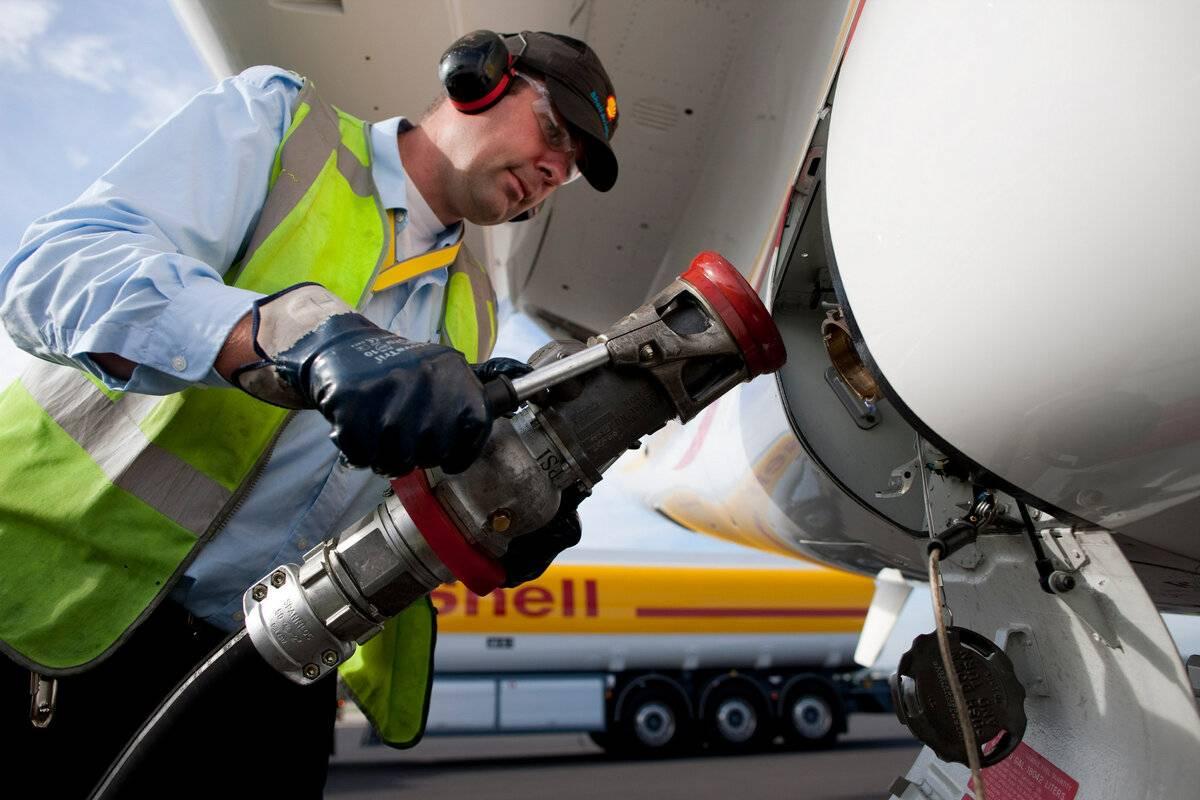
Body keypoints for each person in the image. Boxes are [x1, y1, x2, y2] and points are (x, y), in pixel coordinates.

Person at [0, 29, 619, 797]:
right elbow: (53, 272)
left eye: (570, 169)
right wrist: (284, 336)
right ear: (477, 78)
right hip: (60, 609)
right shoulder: (284, 126)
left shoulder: (475, 308)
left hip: (265, 671)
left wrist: (492, 511)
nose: (555, 171)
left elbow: (386, 502)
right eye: (553, 130)